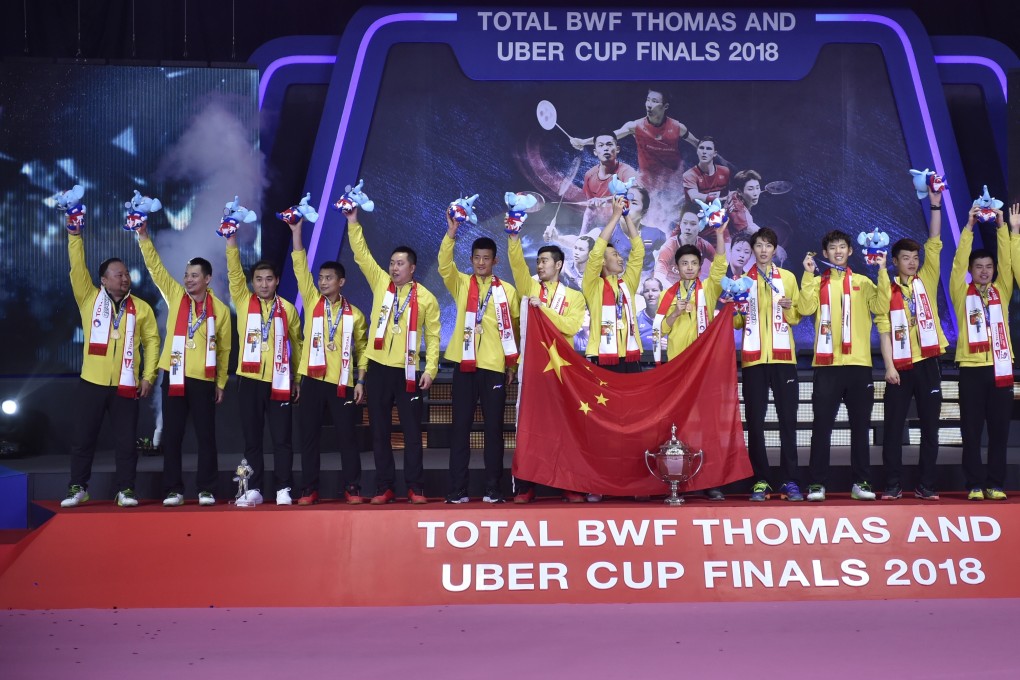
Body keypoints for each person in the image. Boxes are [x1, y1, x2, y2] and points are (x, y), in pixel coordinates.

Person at [344, 207, 440, 504]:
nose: (394, 268)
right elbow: (362, 255)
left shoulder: (426, 298)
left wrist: (431, 369)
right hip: (377, 367)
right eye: (392, 263)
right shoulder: (380, 283)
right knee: (379, 430)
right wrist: (352, 222)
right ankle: (384, 485)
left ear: (412, 268)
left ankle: (415, 486)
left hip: (408, 370)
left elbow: (433, 337)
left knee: (412, 433)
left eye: (400, 264)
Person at [61, 223, 160, 508]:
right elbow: (77, 267)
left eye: (126, 274)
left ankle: (126, 489)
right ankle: (78, 488)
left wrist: (148, 376)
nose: (125, 278)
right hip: (91, 382)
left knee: (126, 442)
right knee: (83, 439)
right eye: (118, 274)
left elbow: (152, 342)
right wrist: (75, 235)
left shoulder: (141, 308)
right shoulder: (88, 298)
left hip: (126, 385)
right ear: (103, 280)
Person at [136, 221, 232, 507]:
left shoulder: (221, 311)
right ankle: (173, 490)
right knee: (173, 436)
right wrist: (143, 236)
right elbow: (155, 269)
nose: (188, 280)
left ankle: (207, 489)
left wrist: (221, 382)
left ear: (207, 279)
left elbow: (225, 350)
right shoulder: (176, 296)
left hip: (204, 380)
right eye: (186, 275)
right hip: (174, 376)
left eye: (194, 275)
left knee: (206, 437)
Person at [798, 231, 889, 502]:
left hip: (859, 365)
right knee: (821, 427)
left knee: (860, 427)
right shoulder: (817, 282)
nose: (837, 251)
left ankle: (861, 482)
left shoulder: (863, 282)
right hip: (826, 365)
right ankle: (817, 483)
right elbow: (805, 308)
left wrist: (882, 271)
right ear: (825, 253)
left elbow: (881, 306)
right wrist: (807, 275)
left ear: (850, 251)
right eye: (832, 248)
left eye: (842, 247)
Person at [440, 215, 521, 504]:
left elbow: (514, 330)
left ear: (495, 261)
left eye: (486, 258)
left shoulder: (507, 291)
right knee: (460, 429)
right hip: (464, 366)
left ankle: (493, 488)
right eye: (476, 258)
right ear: (471, 259)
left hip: (494, 368)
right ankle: (457, 489)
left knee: (493, 431)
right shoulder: (461, 283)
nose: (481, 263)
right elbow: (444, 265)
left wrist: (511, 365)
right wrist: (451, 233)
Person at [876, 186, 948, 501]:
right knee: (893, 427)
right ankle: (893, 484)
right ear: (895, 261)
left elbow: (935, 242)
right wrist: (889, 366)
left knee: (931, 427)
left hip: (928, 363)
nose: (912, 262)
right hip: (900, 368)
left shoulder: (926, 279)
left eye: (915, 258)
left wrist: (935, 206)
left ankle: (926, 484)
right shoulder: (887, 288)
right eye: (906, 258)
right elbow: (883, 329)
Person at [289, 218, 368, 505]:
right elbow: (300, 267)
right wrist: (297, 232)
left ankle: (352, 487)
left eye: (328, 278)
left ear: (341, 282)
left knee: (347, 437)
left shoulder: (355, 314)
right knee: (309, 437)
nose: (322, 282)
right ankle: (309, 488)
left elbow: (362, 350)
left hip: (342, 382)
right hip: (312, 380)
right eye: (321, 278)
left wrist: (360, 381)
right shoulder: (312, 301)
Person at [506, 227, 586, 504]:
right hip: (532, 369)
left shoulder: (574, 296)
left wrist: (543, 308)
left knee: (565, 426)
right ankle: (525, 485)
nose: (539, 266)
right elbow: (518, 267)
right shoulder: (529, 289)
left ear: (559, 265)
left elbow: (570, 326)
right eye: (538, 261)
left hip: (564, 372)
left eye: (544, 261)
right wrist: (514, 238)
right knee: (530, 426)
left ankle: (570, 483)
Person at [652, 223, 728, 501]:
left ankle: (711, 481)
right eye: (684, 263)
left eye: (694, 263)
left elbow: (720, 266)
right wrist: (675, 314)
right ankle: (681, 479)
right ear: (676, 267)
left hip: (705, 369)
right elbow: (660, 331)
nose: (689, 267)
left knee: (708, 426)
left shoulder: (708, 290)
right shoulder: (668, 295)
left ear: (699, 267)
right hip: (678, 369)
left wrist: (719, 235)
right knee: (681, 425)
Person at [225, 233, 302, 506]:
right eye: (258, 279)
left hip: (279, 380)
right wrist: (231, 241)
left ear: (277, 281)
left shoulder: (288, 309)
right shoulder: (243, 301)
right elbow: (234, 272)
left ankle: (283, 488)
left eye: (269, 279)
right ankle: (253, 488)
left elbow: (298, 345)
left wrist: (297, 379)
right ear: (253, 282)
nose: (264, 284)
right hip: (249, 380)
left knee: (282, 439)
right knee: (252, 439)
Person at [950, 203, 1015, 501]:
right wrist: (969, 227)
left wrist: (1002, 227)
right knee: (971, 431)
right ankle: (974, 484)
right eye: (979, 267)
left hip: (1001, 367)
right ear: (971, 271)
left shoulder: (1002, 290)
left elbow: (1007, 260)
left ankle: (996, 484)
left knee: (999, 431)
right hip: (971, 370)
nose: (985, 271)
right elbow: (957, 263)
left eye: (989, 267)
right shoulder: (960, 292)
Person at [738, 227, 804, 502]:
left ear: (775, 250)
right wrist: (737, 307)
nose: (763, 250)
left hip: (783, 359)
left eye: (768, 245)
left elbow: (797, 317)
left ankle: (790, 480)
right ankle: (761, 480)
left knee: (788, 420)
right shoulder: (742, 280)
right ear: (753, 249)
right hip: (753, 360)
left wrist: (789, 307)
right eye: (759, 245)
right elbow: (736, 322)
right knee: (755, 422)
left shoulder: (787, 277)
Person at [570, 88, 699, 199]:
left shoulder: (677, 127)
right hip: (646, 183)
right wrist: (583, 142)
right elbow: (609, 137)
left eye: (654, 101)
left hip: (672, 184)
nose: (649, 105)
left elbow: (698, 143)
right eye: (648, 100)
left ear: (665, 106)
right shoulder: (635, 126)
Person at [582, 196, 645, 373]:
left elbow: (638, 252)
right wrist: (615, 216)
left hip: (630, 354)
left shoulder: (627, 283)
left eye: (619, 255)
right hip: (603, 355)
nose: (620, 258)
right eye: (615, 255)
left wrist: (627, 216)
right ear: (603, 261)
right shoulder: (592, 285)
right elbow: (596, 253)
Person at [578, 130, 638, 232]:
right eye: (601, 145)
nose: (605, 148)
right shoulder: (589, 175)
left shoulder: (628, 172)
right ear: (595, 152)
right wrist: (582, 235)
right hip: (603, 227)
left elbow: (633, 197)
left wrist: (604, 200)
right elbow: (591, 208)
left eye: (609, 144)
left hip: (627, 227)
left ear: (617, 149)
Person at [656, 202, 717, 283]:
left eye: (693, 224)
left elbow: (720, 265)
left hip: (692, 287)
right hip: (669, 286)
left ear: (700, 227)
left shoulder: (704, 246)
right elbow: (659, 275)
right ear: (680, 224)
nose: (688, 227)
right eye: (685, 223)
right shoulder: (669, 246)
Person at [682, 136, 730, 204]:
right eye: (701, 148)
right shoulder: (689, 175)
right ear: (697, 151)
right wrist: (717, 199)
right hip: (695, 208)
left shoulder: (724, 171)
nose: (704, 152)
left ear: (715, 153)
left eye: (708, 149)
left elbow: (728, 193)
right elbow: (694, 197)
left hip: (717, 207)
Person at [726, 169, 763, 236]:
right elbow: (760, 235)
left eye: (757, 188)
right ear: (739, 191)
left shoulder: (733, 194)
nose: (755, 193)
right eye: (750, 189)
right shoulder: (743, 217)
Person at [636, 276, 665, 349]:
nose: (650, 294)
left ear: (662, 292)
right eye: (646, 291)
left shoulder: (671, 317)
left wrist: (671, 346)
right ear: (643, 294)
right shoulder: (637, 319)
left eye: (654, 290)